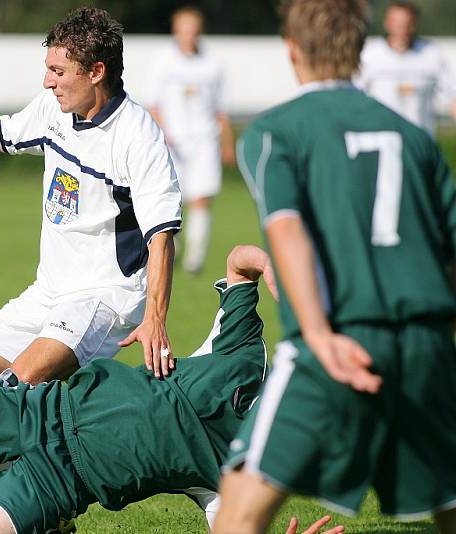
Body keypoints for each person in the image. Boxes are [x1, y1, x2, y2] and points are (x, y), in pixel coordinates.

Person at [0, 245, 344, 534]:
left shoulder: (239, 475)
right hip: (45, 408)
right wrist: (269, 263)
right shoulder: (243, 354)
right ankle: (0, 452)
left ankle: (41, 513)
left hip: (60, 484)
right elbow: (241, 266)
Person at [0, 8, 183, 454]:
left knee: (5, 396)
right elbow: (1, 132)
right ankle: (42, 467)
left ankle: (40, 504)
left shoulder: (138, 137)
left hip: (105, 297)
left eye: (58, 71)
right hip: (49, 291)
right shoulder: (53, 110)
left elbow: (162, 236)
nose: (48, 82)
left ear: (96, 72)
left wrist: (156, 317)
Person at [214, 0, 456, 532]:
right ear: (360, 49)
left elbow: (286, 231)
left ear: (292, 49)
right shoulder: (417, 140)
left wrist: (319, 335)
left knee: (238, 505)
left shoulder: (273, 132)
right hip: (427, 343)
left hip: (338, 341)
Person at [146, 6, 235, 274]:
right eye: (184, 30)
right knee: (172, 198)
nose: (189, 36)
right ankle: (172, 247)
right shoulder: (164, 61)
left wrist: (228, 143)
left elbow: (221, 109)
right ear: (176, 31)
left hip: (204, 140)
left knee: (202, 197)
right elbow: (153, 104)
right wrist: (162, 133)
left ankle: (195, 259)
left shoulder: (213, 64)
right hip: (173, 142)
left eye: (194, 30)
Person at [356, 1, 456, 137]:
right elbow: (355, 97)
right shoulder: (369, 54)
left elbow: (451, 97)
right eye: (397, 23)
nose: (402, 29)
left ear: (415, 24)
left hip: (420, 141)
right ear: (387, 23)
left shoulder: (431, 54)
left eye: (406, 23)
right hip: (382, 141)